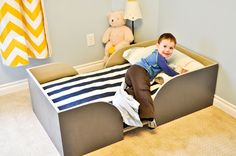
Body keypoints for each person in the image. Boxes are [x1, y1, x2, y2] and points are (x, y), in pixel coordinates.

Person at [125, 33, 186, 128]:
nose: (167, 50)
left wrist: (177, 68)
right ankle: (149, 117)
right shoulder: (159, 57)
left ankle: (127, 98)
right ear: (157, 46)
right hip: (139, 70)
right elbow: (167, 70)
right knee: (143, 89)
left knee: (137, 91)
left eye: (171, 48)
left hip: (132, 74)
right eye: (164, 46)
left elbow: (166, 67)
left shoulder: (161, 59)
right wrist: (178, 76)